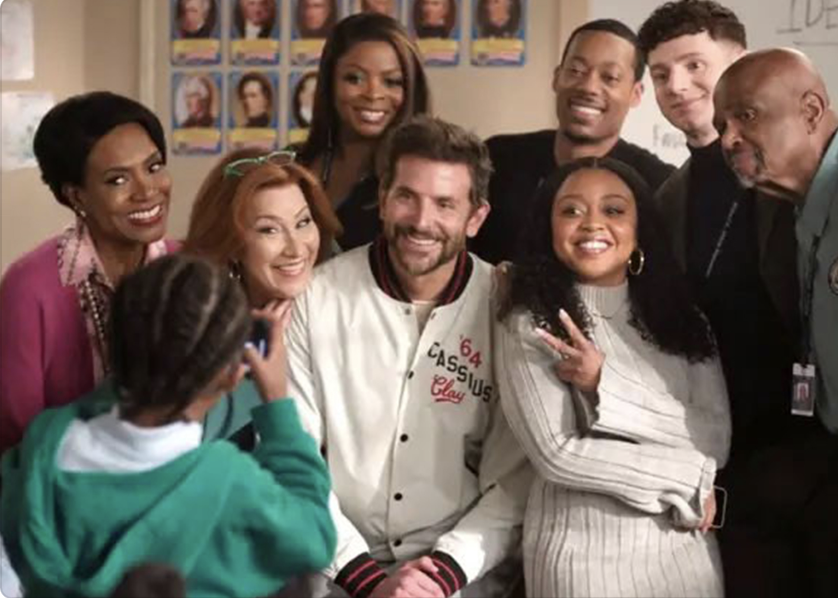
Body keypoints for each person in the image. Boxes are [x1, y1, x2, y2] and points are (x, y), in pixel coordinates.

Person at [636, 3, 838, 596]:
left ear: (740, 64)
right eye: (660, 73)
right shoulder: (668, 198)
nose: (677, 86)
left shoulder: (812, 171)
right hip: (736, 464)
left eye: (693, 65)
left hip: (834, 450)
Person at [287, 116, 528, 598]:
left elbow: (514, 480)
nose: (421, 221)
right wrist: (365, 580)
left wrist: (441, 576)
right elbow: (294, 460)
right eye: (406, 197)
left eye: (444, 204)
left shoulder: (509, 307)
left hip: (461, 575)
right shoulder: (316, 297)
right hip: (335, 569)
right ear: (381, 198)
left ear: (476, 217)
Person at [0, 254, 337, 597]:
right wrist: (278, 403)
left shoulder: (42, 449)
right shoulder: (227, 482)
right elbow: (315, 537)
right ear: (233, 372)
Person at [714, 48, 838, 598]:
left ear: (812, 110)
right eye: (722, 124)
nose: (728, 139)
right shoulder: (806, 208)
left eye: (746, 116)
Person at [496, 156, 730, 597]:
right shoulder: (532, 315)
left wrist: (606, 384)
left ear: (640, 227)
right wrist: (686, 479)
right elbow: (559, 453)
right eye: (571, 210)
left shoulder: (684, 319)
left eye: (614, 210)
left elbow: (715, 439)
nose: (592, 224)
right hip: (581, 565)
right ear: (549, 226)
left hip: (686, 562)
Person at [0, 92, 178, 457]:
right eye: (117, 180)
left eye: (154, 166)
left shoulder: (189, 268)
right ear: (76, 196)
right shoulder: (29, 286)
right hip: (59, 495)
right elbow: (18, 434)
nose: (147, 191)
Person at [472, 19, 674, 266]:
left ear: (635, 94)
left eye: (609, 77)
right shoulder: (497, 158)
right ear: (557, 78)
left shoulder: (657, 185)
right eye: (576, 71)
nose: (588, 87)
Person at [183, 147, 341, 447]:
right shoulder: (203, 342)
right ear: (232, 245)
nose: (296, 248)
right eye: (270, 230)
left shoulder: (342, 312)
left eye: (303, 222)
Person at [291, 13, 430, 251]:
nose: (373, 94)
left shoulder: (424, 178)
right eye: (354, 78)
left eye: (392, 81)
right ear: (330, 82)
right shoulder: (292, 164)